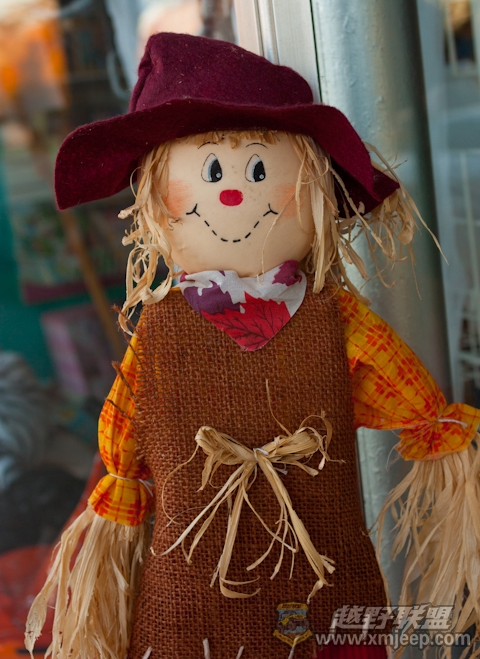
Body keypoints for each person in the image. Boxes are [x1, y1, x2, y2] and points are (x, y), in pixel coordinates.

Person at [26, 33, 480, 659]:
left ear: (317, 191)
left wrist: (446, 457)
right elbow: (121, 446)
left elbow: (416, 405)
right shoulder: (159, 334)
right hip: (190, 608)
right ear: (154, 202)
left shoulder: (332, 318)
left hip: (329, 590)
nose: (233, 192)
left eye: (259, 170)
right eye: (211, 171)